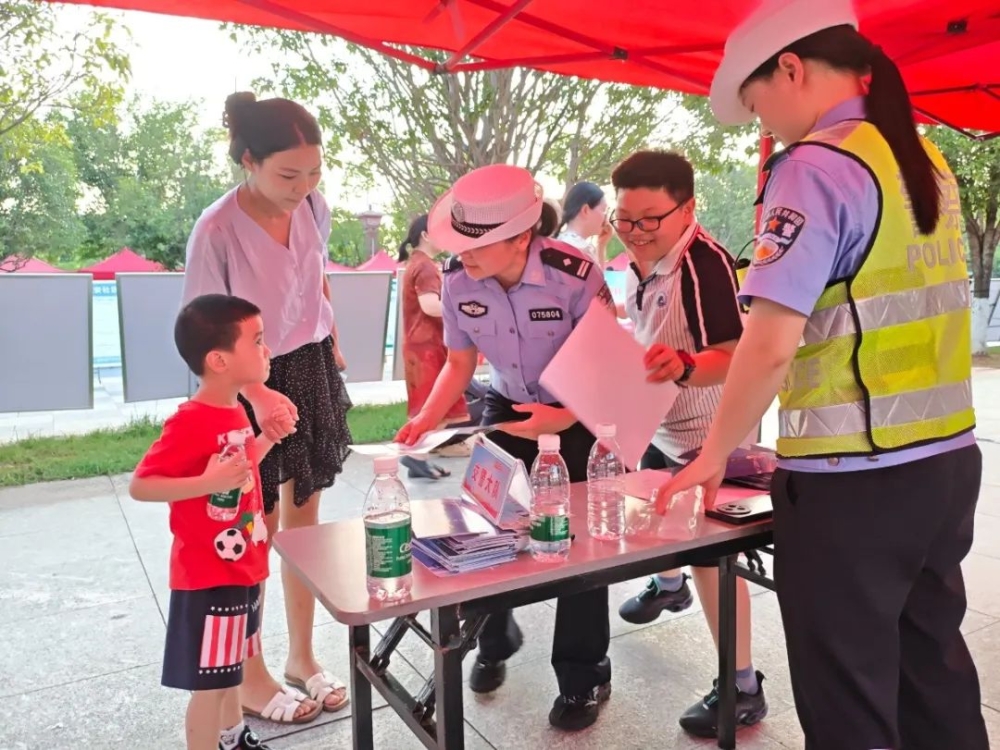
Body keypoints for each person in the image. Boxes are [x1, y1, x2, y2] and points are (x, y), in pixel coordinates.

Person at [659, 2, 989, 748]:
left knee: (849, 699)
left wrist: (714, 453)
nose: (765, 126)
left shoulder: (815, 166)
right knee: (932, 677)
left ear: (791, 69)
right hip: (944, 464)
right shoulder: (919, 157)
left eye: (757, 106)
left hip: (853, 483)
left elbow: (770, 344)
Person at [396, 164, 617, 731]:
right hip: (508, 408)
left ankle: (583, 676)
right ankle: (493, 639)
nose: (463, 254)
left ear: (522, 238)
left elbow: (606, 364)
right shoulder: (458, 281)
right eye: (459, 241)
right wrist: (425, 418)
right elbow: (460, 362)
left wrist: (563, 417)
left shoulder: (576, 274)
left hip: (577, 412)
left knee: (578, 546)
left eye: (477, 243)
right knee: (487, 529)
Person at [181, 92, 352, 724]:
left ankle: (301, 656)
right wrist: (255, 392)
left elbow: (316, 273)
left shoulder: (313, 207)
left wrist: (332, 341)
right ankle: (249, 675)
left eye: (314, 173)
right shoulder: (217, 230)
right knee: (251, 532)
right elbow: (205, 336)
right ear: (248, 161)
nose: (302, 187)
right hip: (244, 379)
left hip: (308, 366)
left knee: (303, 523)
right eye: (287, 174)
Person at [609, 149, 766, 738]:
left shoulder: (704, 264)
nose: (635, 232)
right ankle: (669, 585)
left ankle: (743, 686)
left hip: (709, 430)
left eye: (650, 219)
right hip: (663, 419)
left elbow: (733, 357)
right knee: (657, 510)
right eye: (625, 219)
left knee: (711, 558)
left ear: (688, 209)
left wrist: (682, 365)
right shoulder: (640, 260)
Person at [130, 294, 281, 750]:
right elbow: (142, 485)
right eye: (257, 341)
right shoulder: (190, 421)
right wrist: (206, 482)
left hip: (242, 566)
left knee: (229, 668)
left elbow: (240, 470)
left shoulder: (234, 409)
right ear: (219, 360)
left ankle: (233, 738)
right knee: (210, 685)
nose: (267, 350)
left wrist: (267, 437)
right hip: (208, 576)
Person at [396, 213, 469, 480]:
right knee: (437, 406)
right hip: (427, 348)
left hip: (422, 347)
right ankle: (415, 456)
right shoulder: (425, 267)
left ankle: (419, 457)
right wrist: (464, 311)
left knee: (435, 407)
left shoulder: (418, 263)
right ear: (426, 235)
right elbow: (429, 306)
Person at [556, 181, 613, 267]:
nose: (606, 217)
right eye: (603, 210)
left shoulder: (560, 241)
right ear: (585, 210)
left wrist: (601, 245)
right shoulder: (581, 249)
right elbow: (597, 276)